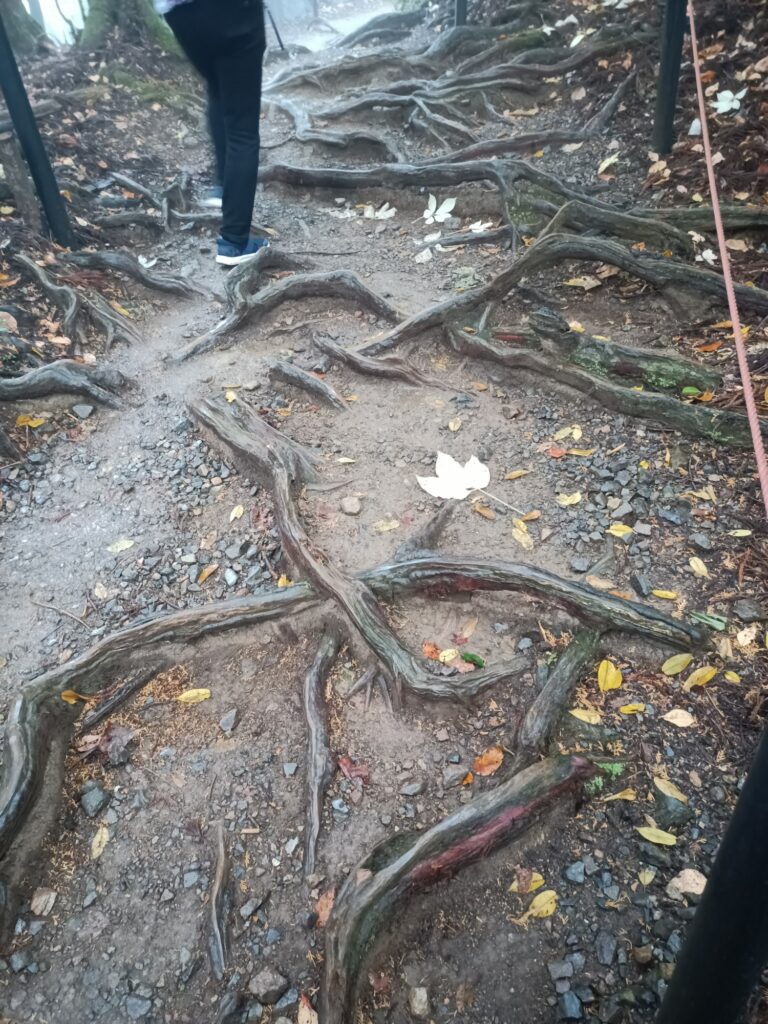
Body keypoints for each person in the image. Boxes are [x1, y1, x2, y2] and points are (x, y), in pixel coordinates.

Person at [155, 0, 270, 265]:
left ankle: (222, 187)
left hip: (181, 14)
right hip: (232, 9)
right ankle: (234, 242)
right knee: (243, 126)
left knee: (218, 88)